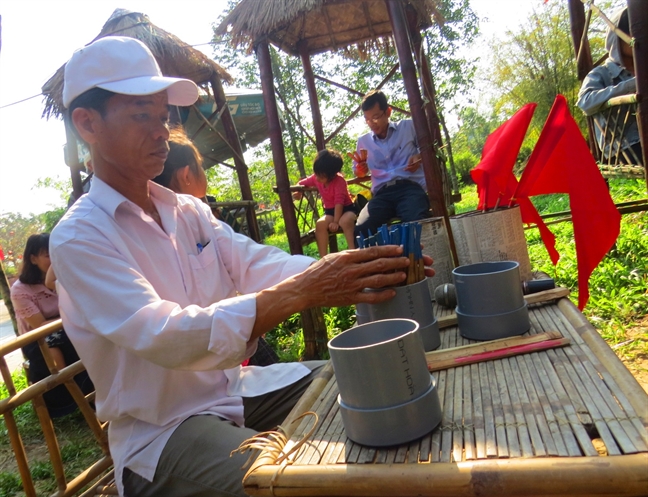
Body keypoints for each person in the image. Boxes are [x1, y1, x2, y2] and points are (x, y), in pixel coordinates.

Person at [50, 36, 433, 496]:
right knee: (305, 483)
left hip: (236, 391)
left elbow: (257, 262)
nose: (160, 131)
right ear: (87, 123)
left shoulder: (187, 211)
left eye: (163, 115)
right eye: (140, 115)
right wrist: (304, 290)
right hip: (164, 432)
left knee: (372, 380)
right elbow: (164, 335)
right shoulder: (79, 237)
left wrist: (352, 269)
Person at [154, 127, 279, 367]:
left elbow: (248, 260)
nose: (205, 175)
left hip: (233, 337)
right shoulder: (157, 230)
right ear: (186, 175)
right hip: (210, 356)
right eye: (201, 167)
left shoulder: (197, 212)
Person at [10, 233, 92, 416]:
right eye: (48, 255)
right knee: (57, 343)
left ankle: (90, 390)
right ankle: (73, 394)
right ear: (32, 259)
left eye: (55, 253)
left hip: (66, 324)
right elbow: (39, 325)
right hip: (37, 337)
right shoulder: (20, 290)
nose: (54, 259)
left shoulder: (62, 276)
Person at [352, 90, 430, 238]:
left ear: (388, 112)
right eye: (367, 119)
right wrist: (361, 170)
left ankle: (414, 259)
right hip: (382, 194)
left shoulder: (408, 127)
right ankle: (379, 261)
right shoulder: (363, 141)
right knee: (362, 228)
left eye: (376, 117)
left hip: (410, 188)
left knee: (416, 223)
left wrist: (419, 156)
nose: (371, 123)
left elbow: (429, 150)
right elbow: (358, 172)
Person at [576, 8, 640, 164]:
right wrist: (632, 85)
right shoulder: (600, 73)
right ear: (617, 37)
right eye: (632, 32)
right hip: (623, 148)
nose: (637, 37)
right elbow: (585, 102)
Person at [295, 149, 357, 257]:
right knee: (320, 224)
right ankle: (324, 258)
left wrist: (336, 222)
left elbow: (339, 202)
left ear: (332, 175)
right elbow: (301, 183)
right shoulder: (316, 177)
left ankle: (354, 254)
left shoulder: (339, 181)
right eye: (316, 174)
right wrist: (298, 191)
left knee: (345, 221)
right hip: (330, 211)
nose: (317, 179)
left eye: (322, 176)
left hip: (347, 208)